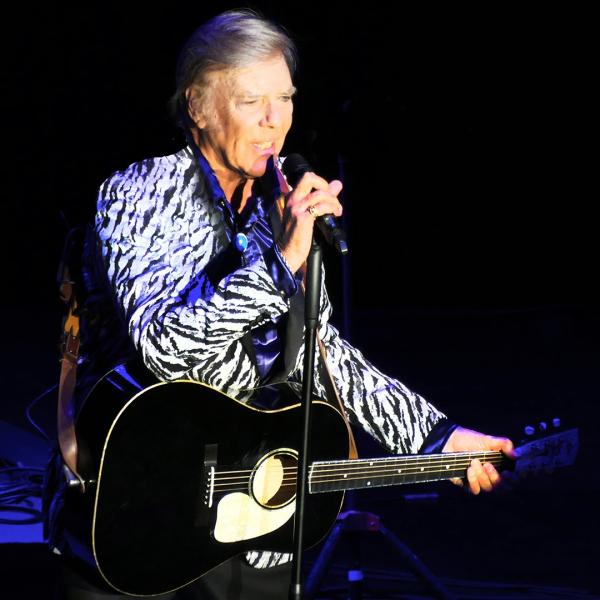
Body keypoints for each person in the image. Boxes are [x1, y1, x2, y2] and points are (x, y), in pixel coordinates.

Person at [44, 8, 515, 599]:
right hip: (133, 503)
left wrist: (439, 437)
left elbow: (320, 355)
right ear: (197, 106)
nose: (274, 122)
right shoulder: (141, 192)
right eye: (250, 103)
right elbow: (165, 349)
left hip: (248, 509)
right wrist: (281, 263)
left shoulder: (280, 206)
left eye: (285, 98)